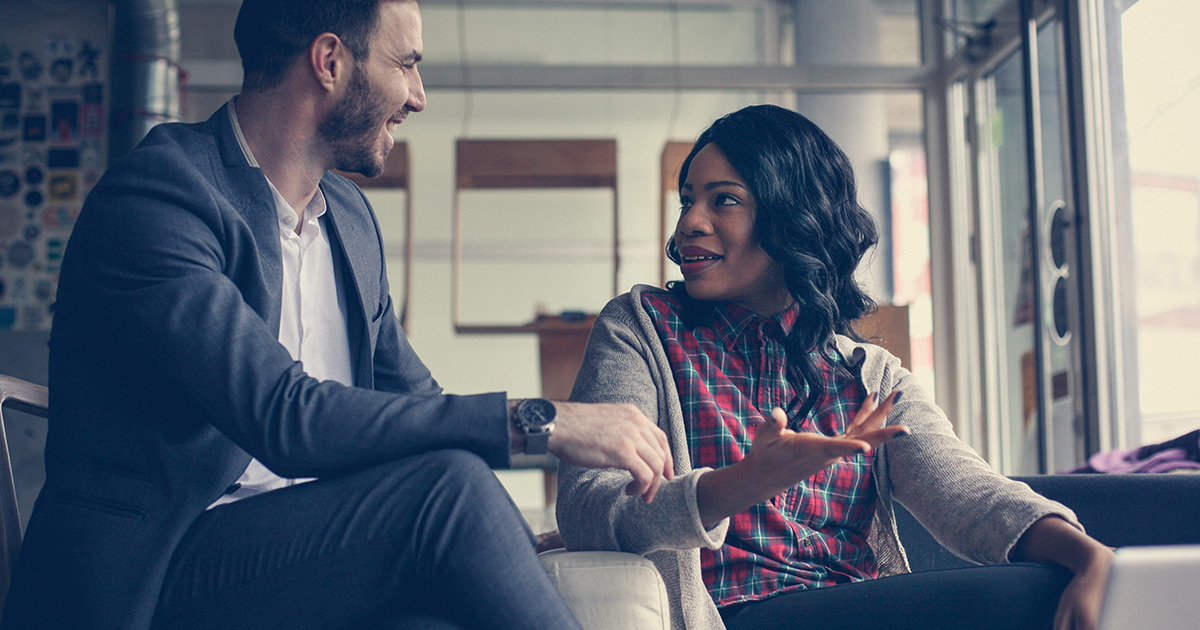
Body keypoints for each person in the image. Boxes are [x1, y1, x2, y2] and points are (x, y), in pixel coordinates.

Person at [1, 1, 674, 628]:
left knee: (444, 587)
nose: (419, 96)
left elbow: (421, 408)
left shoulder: (348, 220)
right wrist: (545, 422)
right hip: (152, 574)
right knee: (447, 492)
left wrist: (503, 542)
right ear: (330, 62)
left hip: (301, 556)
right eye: (406, 63)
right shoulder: (160, 197)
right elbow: (286, 418)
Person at [556, 104, 1113, 630]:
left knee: (1049, 584)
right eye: (687, 200)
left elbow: (967, 493)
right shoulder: (642, 329)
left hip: (851, 600)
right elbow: (588, 509)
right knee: (1021, 601)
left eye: (723, 200)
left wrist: (1085, 553)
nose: (690, 224)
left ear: (790, 216)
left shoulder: (871, 376)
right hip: (734, 612)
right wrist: (738, 485)